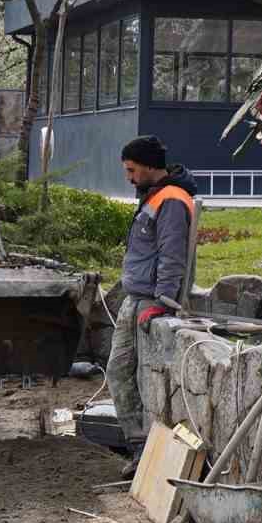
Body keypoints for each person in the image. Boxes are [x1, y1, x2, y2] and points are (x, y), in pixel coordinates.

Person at [107, 135, 197, 478]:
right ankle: (139, 448)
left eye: (131, 170)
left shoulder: (171, 200)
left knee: (133, 375)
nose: (129, 177)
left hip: (149, 302)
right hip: (137, 298)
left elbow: (173, 255)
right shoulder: (156, 196)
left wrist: (163, 302)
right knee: (119, 371)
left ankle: (144, 450)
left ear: (147, 166)